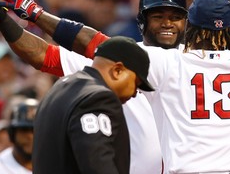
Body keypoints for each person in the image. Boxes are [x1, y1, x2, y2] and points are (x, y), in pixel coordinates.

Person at [0, 0, 230, 172]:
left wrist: (36, 13)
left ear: (189, 25)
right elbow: (44, 56)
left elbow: (95, 42)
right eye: (158, 16)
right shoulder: (114, 62)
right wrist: (2, 20)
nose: (168, 24)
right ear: (141, 21)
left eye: (176, 17)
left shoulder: (169, 62)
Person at [33, 36, 154, 174]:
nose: (134, 94)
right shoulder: (99, 98)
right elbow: (97, 163)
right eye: (136, 84)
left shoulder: (60, 87)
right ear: (118, 70)